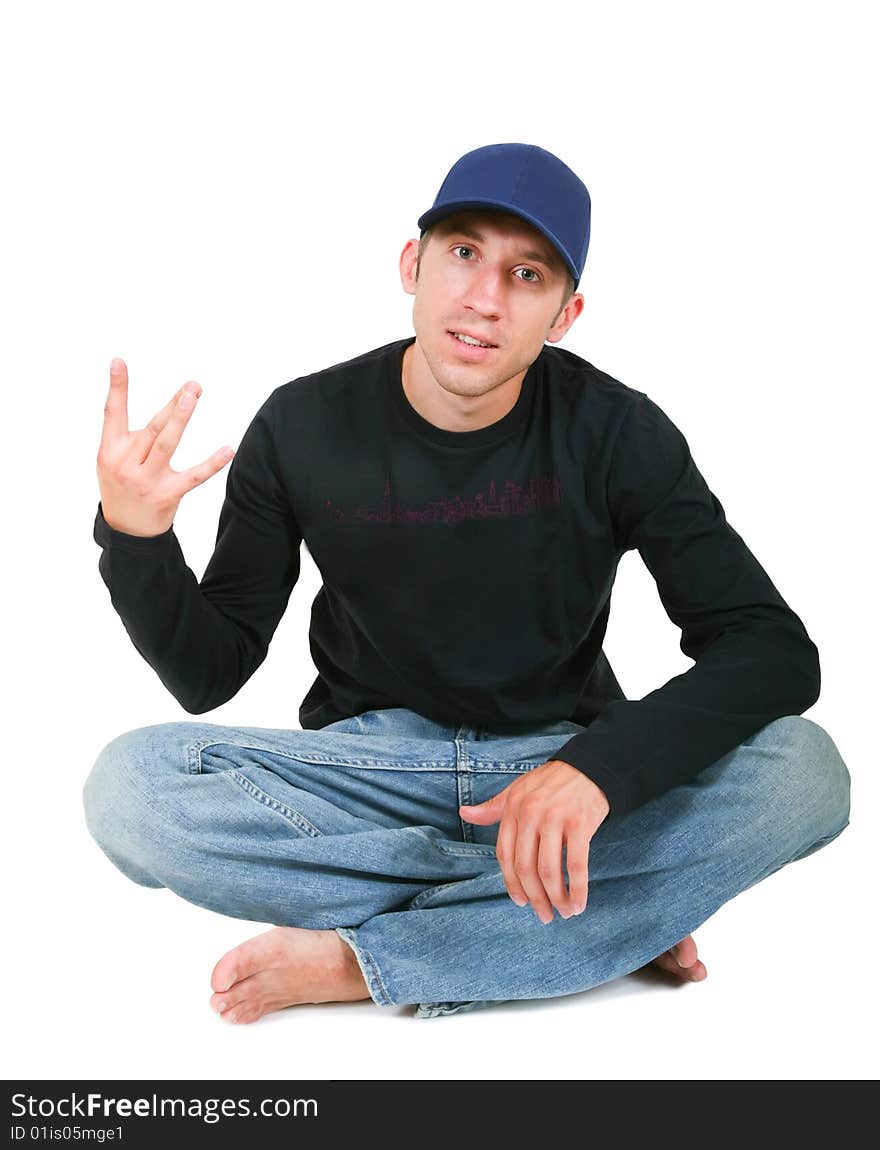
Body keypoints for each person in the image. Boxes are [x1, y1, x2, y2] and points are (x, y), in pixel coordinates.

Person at [83, 143, 851, 1023]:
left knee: (807, 774)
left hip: (554, 762)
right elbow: (208, 670)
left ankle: (377, 958)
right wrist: (136, 537)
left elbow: (771, 649)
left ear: (566, 314)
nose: (485, 298)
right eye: (462, 254)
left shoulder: (619, 432)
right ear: (411, 265)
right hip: (369, 768)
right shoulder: (302, 423)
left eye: (527, 274)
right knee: (130, 790)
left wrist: (599, 771)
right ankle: (573, 912)